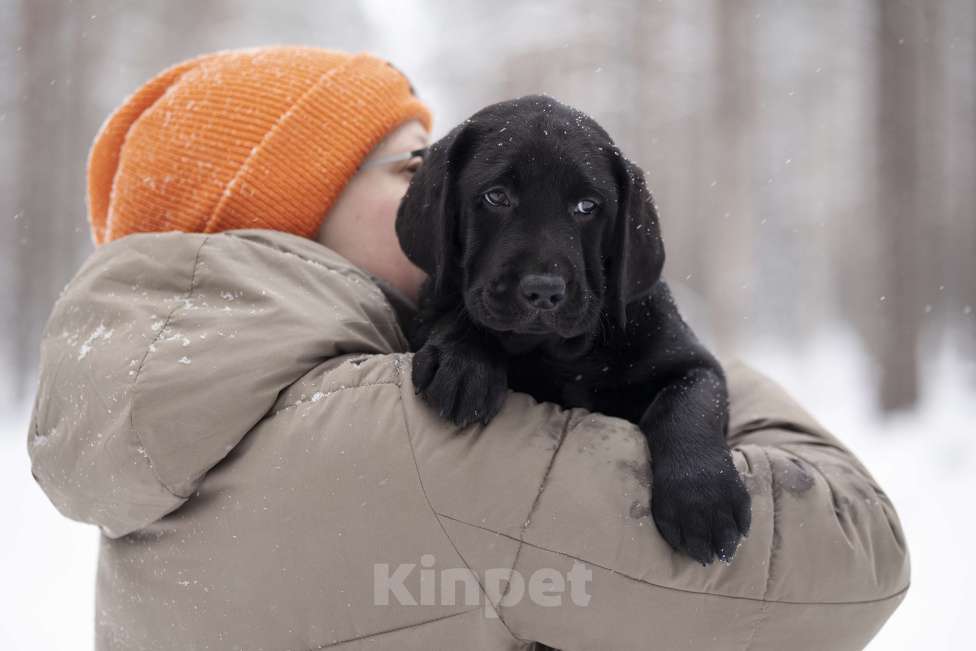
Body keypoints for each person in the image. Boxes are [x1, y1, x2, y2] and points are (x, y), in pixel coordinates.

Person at [27, 46, 909, 651]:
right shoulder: (413, 433)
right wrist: (706, 375)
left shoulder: (163, 424)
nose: (433, 200)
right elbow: (853, 562)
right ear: (296, 212)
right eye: (414, 170)